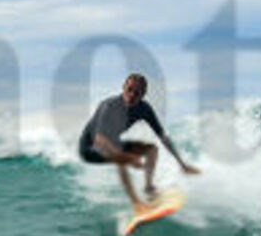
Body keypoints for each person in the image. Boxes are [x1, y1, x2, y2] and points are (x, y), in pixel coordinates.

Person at [78, 73, 198, 207]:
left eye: (137, 93)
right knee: (121, 159)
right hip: (90, 149)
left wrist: (182, 164)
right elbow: (99, 139)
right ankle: (136, 204)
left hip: (112, 143)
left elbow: (162, 136)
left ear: (143, 95)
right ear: (123, 88)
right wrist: (127, 157)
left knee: (152, 150)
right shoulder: (109, 106)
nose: (132, 95)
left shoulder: (144, 109)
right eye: (129, 89)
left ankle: (149, 189)